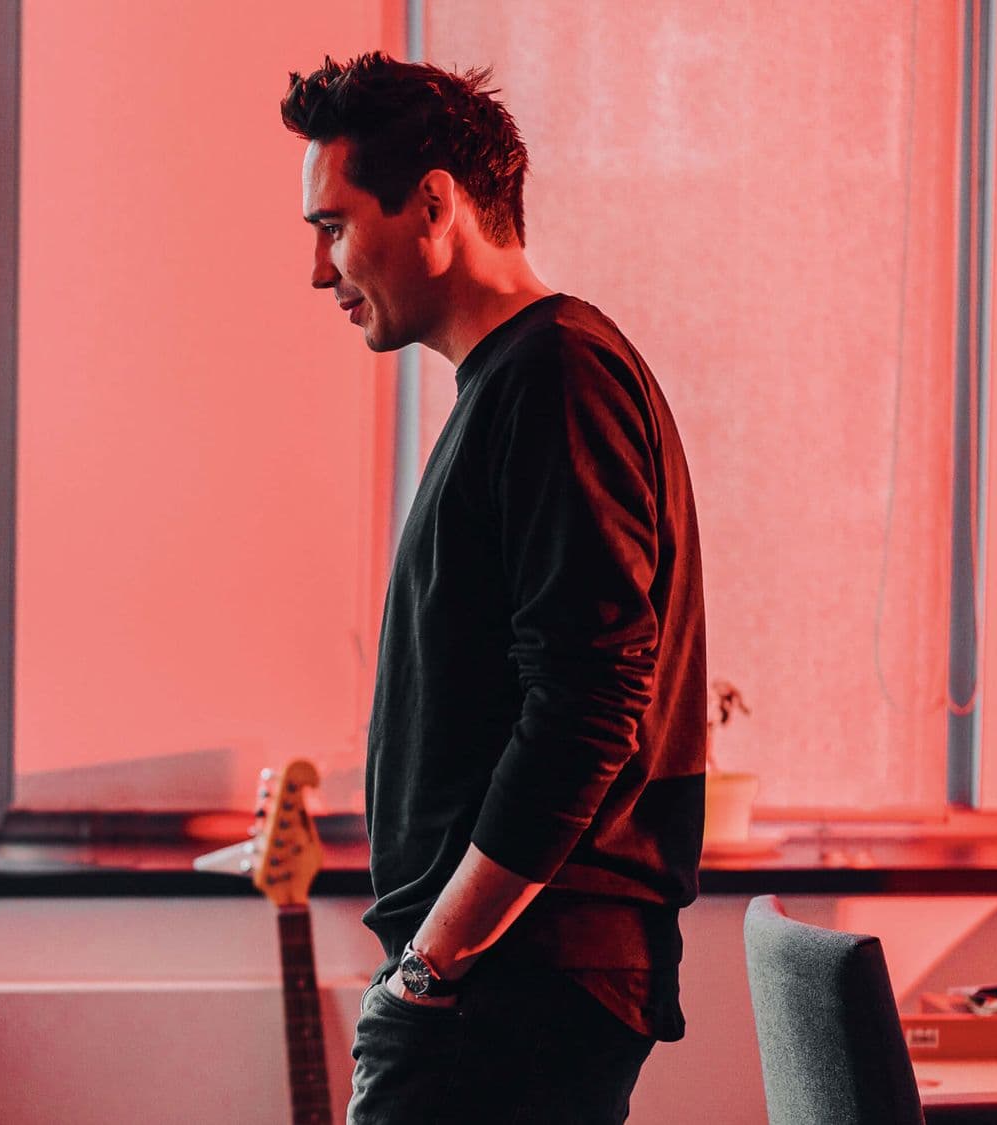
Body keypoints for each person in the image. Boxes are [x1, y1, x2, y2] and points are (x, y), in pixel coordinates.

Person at [281, 54, 707, 1123]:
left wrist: (431, 966)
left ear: (432, 203)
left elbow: (586, 705)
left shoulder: (555, 374)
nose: (319, 270)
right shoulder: (515, 381)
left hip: (508, 987)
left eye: (332, 227)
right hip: (493, 983)